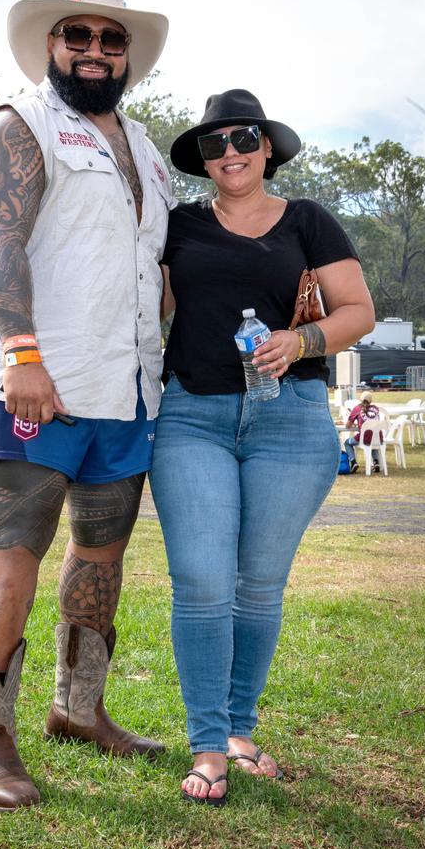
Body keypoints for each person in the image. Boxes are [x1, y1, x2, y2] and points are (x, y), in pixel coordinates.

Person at [0, 0, 171, 810]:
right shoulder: (19, 125)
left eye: (110, 38)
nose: (93, 49)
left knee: (101, 550)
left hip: (125, 385)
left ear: (127, 55)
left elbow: (150, 264)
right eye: (76, 35)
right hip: (37, 379)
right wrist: (21, 352)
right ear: (51, 44)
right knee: (17, 542)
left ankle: (77, 710)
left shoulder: (145, 149)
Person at [149, 89, 375, 806]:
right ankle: (209, 745)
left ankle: (241, 731)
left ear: (268, 146)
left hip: (291, 420)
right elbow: (143, 306)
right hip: (193, 417)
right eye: (213, 145)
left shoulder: (308, 221)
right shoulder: (179, 225)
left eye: (242, 138)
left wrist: (302, 339)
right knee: (203, 583)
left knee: (257, 587)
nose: (230, 153)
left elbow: (358, 312)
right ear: (203, 160)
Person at [344, 391, 382, 472]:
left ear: (360, 399)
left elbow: (347, 426)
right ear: (371, 401)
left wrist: (355, 424)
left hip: (364, 438)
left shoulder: (357, 408)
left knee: (347, 443)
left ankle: (353, 462)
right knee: (372, 438)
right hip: (378, 437)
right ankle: (376, 462)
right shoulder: (376, 408)